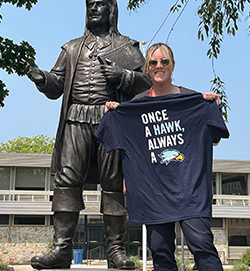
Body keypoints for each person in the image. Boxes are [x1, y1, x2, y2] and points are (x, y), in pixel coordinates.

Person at [25, 0, 152, 270]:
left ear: (111, 11)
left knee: (113, 183)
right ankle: (61, 249)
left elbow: (147, 82)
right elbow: (57, 84)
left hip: (111, 120)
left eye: (99, 5)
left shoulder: (126, 46)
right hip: (75, 118)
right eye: (90, 5)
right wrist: (42, 78)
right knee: (67, 180)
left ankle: (116, 251)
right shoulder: (71, 48)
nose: (94, 9)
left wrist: (123, 76)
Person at [96, 42, 230, 271]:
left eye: (164, 61)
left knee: (202, 247)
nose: (159, 66)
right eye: (154, 62)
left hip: (190, 191)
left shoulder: (192, 99)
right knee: (161, 254)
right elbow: (113, 138)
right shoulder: (135, 106)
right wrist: (115, 113)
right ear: (147, 68)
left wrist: (209, 106)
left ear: (172, 65)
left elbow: (213, 138)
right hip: (153, 194)